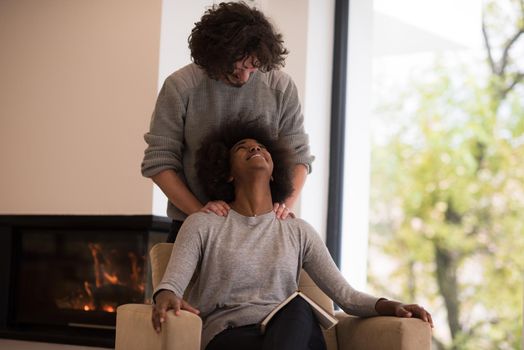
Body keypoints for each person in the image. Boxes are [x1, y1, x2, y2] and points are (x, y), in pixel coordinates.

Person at [151, 122, 434, 350]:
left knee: (298, 309)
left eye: (261, 147)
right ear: (227, 173)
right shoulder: (204, 224)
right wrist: (164, 295)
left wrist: (392, 306)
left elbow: (346, 296)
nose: (254, 148)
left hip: (291, 332)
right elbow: (172, 284)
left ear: (275, 172)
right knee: (297, 319)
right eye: (242, 148)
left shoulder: (298, 231)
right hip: (231, 338)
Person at [141, 1, 314, 242]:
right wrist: (200, 214)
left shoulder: (280, 87)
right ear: (212, 58)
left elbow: (299, 158)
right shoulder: (181, 86)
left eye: (252, 68)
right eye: (235, 70)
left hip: (262, 229)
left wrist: (280, 209)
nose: (244, 77)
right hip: (194, 227)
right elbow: (159, 162)